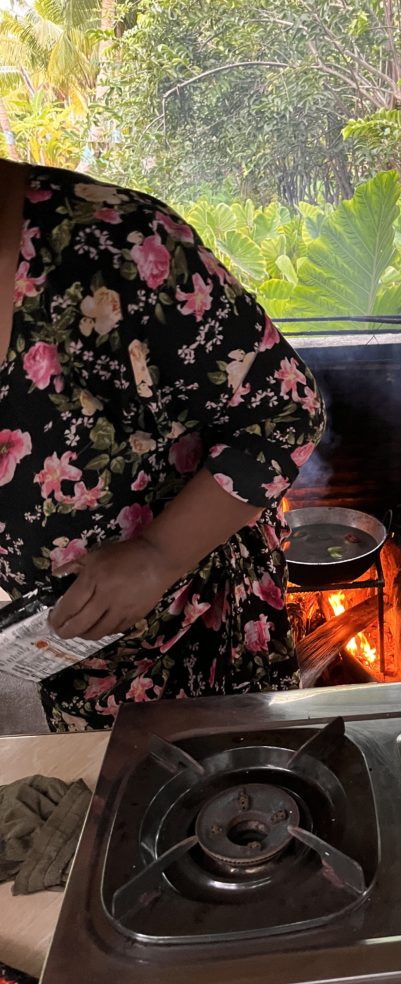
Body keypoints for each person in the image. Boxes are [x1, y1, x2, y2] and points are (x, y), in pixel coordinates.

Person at [0, 159, 325, 731]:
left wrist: (158, 556)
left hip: (201, 642)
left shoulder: (117, 245)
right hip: (71, 658)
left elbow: (286, 411)